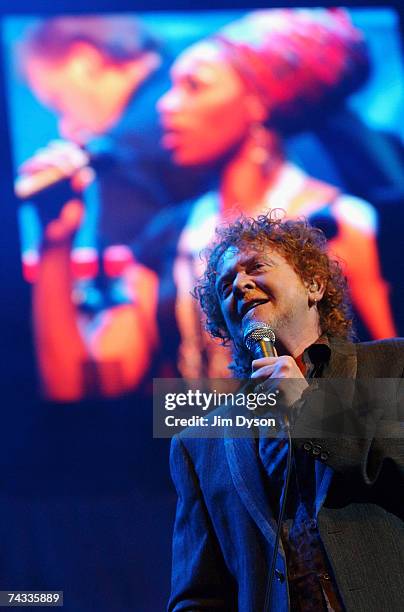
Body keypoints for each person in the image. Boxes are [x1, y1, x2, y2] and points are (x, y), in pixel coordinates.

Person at [168, 213, 404, 611]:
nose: (239, 285)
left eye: (256, 267)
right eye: (225, 287)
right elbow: (200, 593)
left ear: (314, 285)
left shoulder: (392, 365)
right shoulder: (200, 443)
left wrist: (309, 407)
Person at [157, 8, 398, 380]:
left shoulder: (338, 222)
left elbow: (388, 365)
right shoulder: (177, 232)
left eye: (194, 86)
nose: (166, 105)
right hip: (204, 432)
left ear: (257, 101)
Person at [16, 15, 204, 400]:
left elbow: (101, 372)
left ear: (85, 60)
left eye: (58, 102)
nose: (67, 127)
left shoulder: (124, 151)